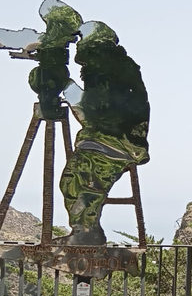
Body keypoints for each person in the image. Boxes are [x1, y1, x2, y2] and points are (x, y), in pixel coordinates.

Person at [58, 21, 150, 245]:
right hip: (108, 140)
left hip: (114, 143)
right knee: (72, 183)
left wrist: (65, 86)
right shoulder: (115, 68)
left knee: (80, 187)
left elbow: (94, 111)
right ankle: (84, 232)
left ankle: (86, 234)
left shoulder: (105, 70)